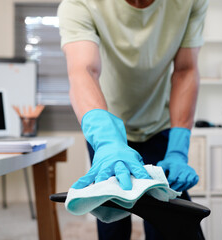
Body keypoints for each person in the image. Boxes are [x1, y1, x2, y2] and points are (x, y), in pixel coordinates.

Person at [57, 0, 209, 239]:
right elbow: (82, 70)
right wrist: (107, 141)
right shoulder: (80, 3)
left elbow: (186, 70)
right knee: (112, 221)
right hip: (107, 129)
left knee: (170, 221)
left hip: (160, 127)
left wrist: (178, 149)